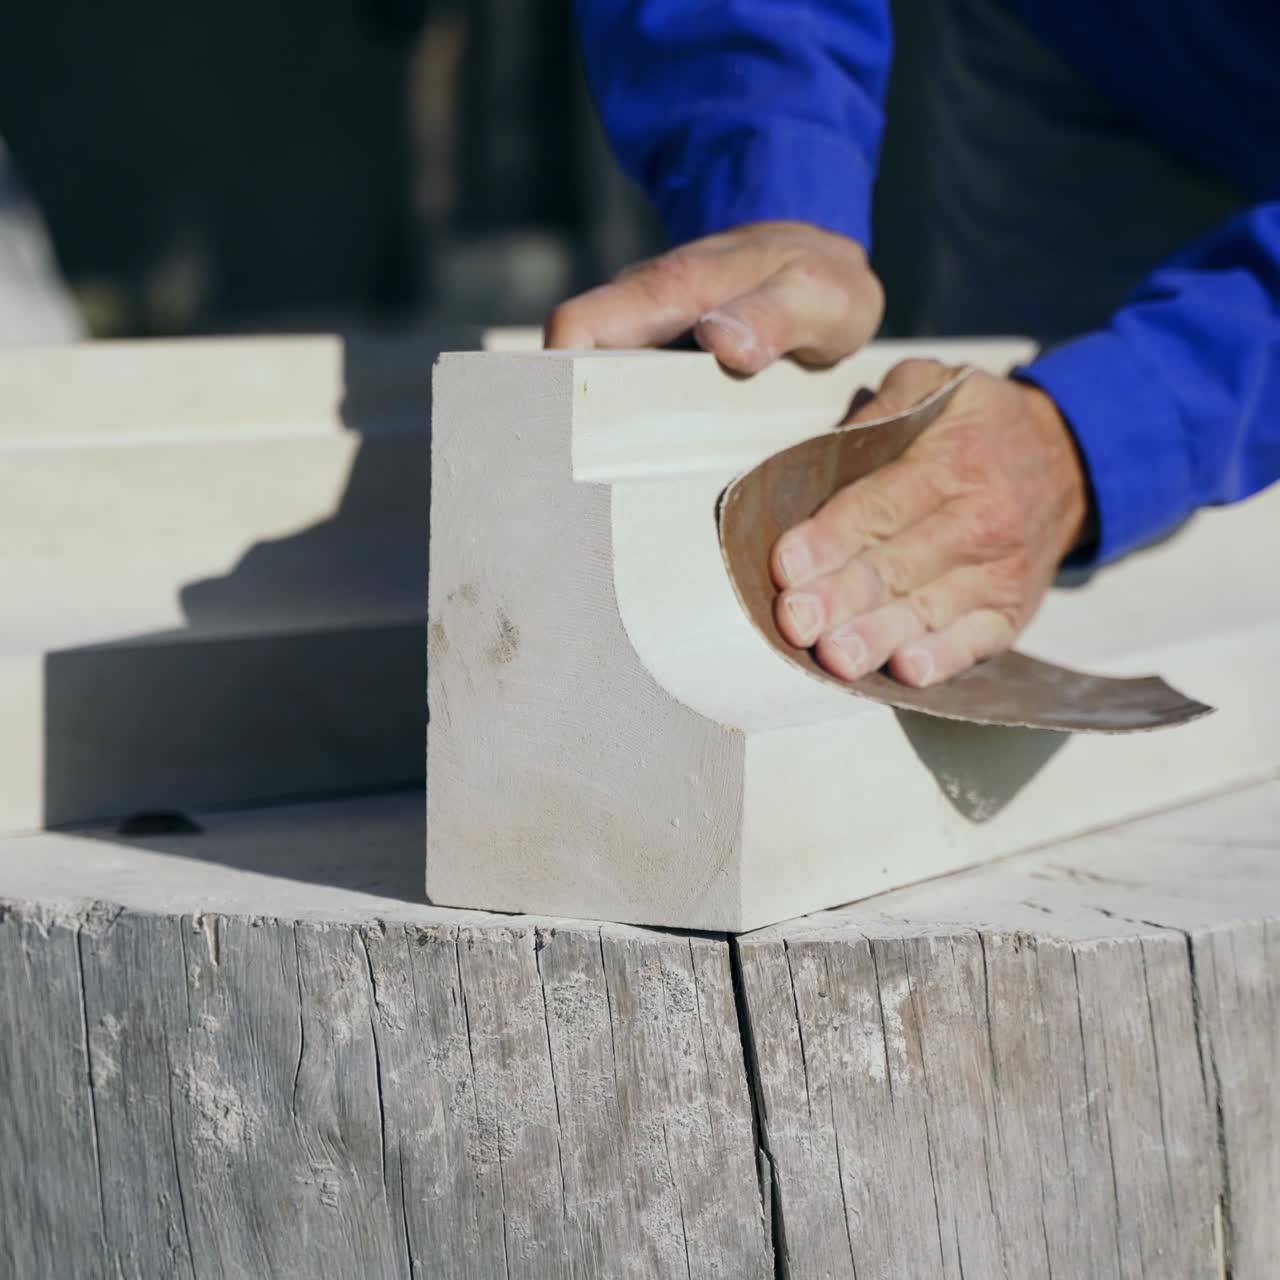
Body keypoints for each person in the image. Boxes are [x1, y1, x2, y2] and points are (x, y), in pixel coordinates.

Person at [547, 0, 1279, 690]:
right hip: (1080, 39)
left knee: (1123, 480)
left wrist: (1093, 437)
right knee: (977, 535)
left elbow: (1122, 419)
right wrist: (771, 185)